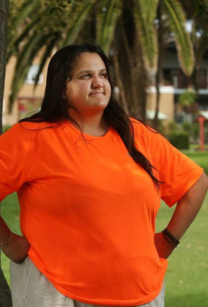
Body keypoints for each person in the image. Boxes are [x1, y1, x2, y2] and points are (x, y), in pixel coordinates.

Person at [0, 43, 207, 307]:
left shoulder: (137, 135)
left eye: (103, 75)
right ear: (61, 88)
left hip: (141, 294)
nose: (98, 83)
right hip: (56, 292)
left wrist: (168, 240)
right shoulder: (32, 137)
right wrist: (7, 242)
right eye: (86, 76)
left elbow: (196, 184)